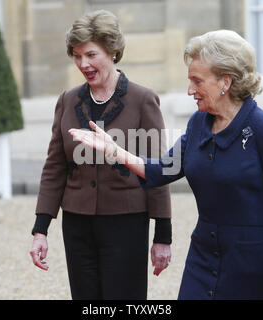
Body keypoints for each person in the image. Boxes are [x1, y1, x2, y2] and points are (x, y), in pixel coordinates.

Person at [69, 30, 263, 300]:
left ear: (225, 81)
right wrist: (115, 151)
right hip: (205, 256)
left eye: (197, 81)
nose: (190, 90)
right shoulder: (199, 124)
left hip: (258, 263)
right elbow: (164, 169)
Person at [29, 10, 172, 300]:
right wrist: (40, 229)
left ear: (112, 51)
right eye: (77, 56)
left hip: (127, 223)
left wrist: (162, 237)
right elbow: (55, 166)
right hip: (77, 224)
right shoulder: (68, 101)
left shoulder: (143, 100)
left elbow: (159, 170)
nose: (83, 63)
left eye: (91, 54)